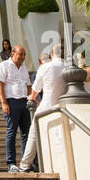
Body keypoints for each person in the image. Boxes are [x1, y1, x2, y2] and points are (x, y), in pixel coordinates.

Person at [16, 45, 66, 173]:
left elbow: (36, 88)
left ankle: (25, 165)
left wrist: (31, 97)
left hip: (47, 105)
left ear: (51, 54)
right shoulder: (67, 66)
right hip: (63, 106)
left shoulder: (46, 66)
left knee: (33, 134)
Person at [0, 42, 31, 172]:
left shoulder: (24, 68)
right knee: (11, 132)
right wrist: (4, 103)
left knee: (26, 133)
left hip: (24, 101)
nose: (22, 57)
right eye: (20, 54)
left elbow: (28, 85)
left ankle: (26, 162)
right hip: (12, 101)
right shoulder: (4, 66)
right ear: (13, 53)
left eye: (24, 55)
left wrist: (31, 98)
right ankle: (11, 163)